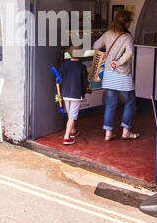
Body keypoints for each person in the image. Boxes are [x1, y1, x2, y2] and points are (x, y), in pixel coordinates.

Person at [93, 10, 140, 141]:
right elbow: (130, 52)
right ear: (126, 22)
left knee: (110, 103)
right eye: (130, 21)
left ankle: (108, 133)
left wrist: (108, 56)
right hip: (123, 75)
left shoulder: (108, 34)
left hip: (109, 74)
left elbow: (96, 45)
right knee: (130, 102)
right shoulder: (127, 37)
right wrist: (118, 62)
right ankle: (126, 131)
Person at [59, 46, 88, 146]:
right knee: (72, 116)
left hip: (65, 93)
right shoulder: (82, 67)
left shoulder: (63, 65)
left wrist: (59, 93)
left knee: (70, 114)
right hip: (76, 94)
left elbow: (59, 80)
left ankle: (73, 131)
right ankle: (67, 138)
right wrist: (83, 93)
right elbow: (84, 83)